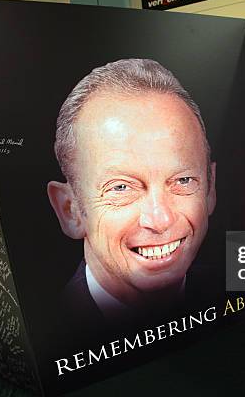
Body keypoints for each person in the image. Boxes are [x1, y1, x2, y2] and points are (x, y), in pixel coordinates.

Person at [48, 59, 216, 324]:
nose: (160, 220)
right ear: (71, 211)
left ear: (210, 189)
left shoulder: (242, 290)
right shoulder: (50, 331)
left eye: (183, 180)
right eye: (121, 187)